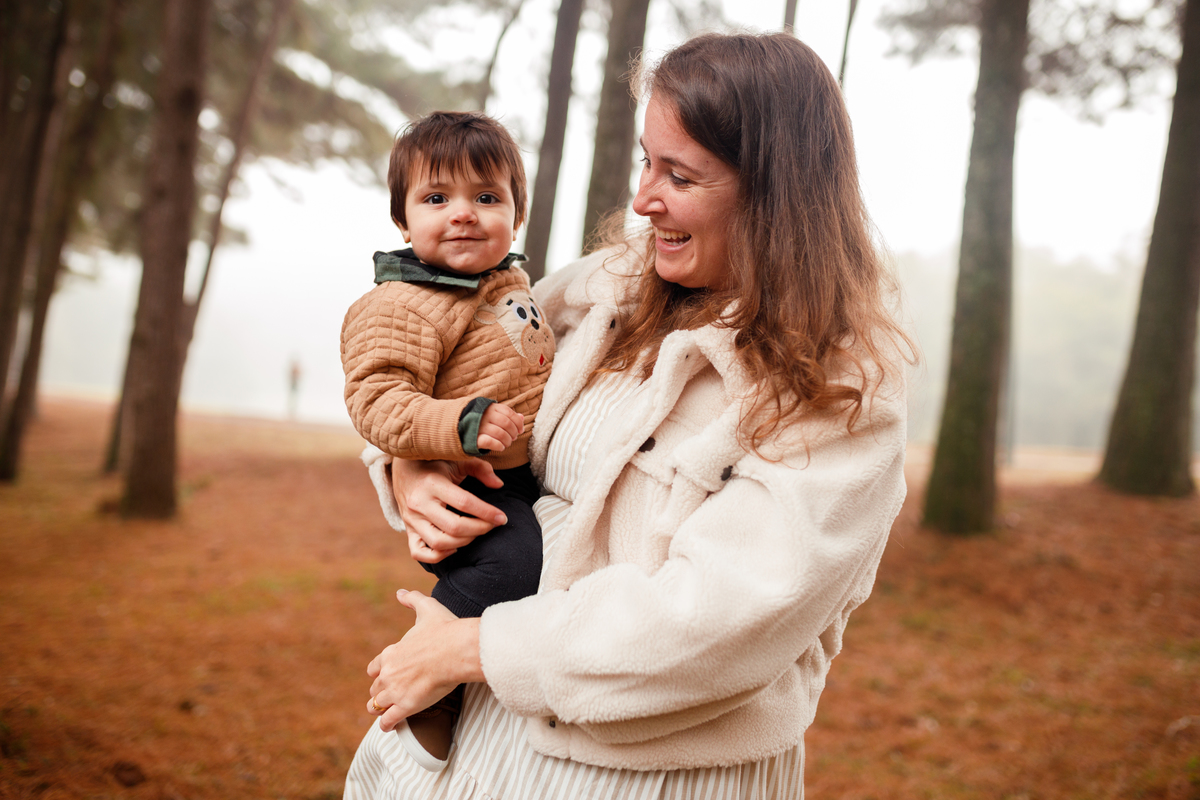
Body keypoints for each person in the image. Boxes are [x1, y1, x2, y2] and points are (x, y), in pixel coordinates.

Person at [345, 31, 913, 798]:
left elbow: (721, 619)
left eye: (679, 175)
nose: (644, 199)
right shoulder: (602, 287)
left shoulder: (838, 390)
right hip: (464, 744)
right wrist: (409, 467)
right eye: (647, 161)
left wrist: (470, 650)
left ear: (774, 192)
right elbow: (446, 366)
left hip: (644, 775)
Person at [340, 111, 554, 771]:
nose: (463, 213)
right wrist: (458, 425)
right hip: (472, 485)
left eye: (486, 197)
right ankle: (431, 679)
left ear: (516, 215)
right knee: (513, 564)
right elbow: (376, 398)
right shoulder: (401, 304)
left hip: (519, 474)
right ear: (403, 221)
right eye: (437, 198)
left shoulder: (505, 282)